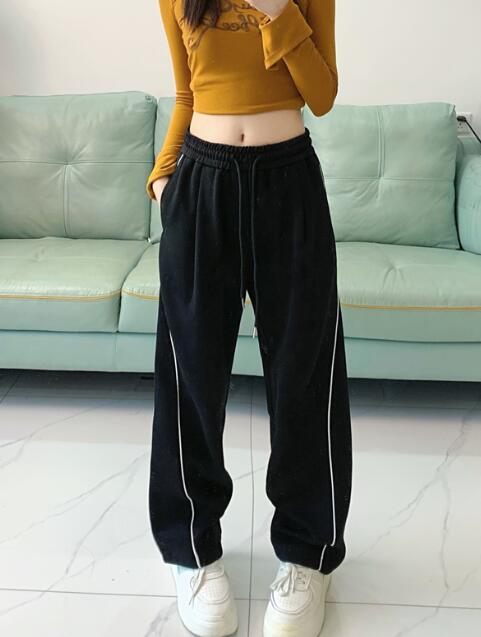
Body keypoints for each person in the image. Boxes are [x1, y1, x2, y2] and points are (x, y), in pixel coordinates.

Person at [146, 0, 352, 635]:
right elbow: (187, 93)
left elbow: (322, 96)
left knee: (304, 375)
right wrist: (162, 178)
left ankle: (308, 553)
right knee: (191, 378)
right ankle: (192, 551)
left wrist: (276, 12)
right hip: (201, 181)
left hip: (289, 181)